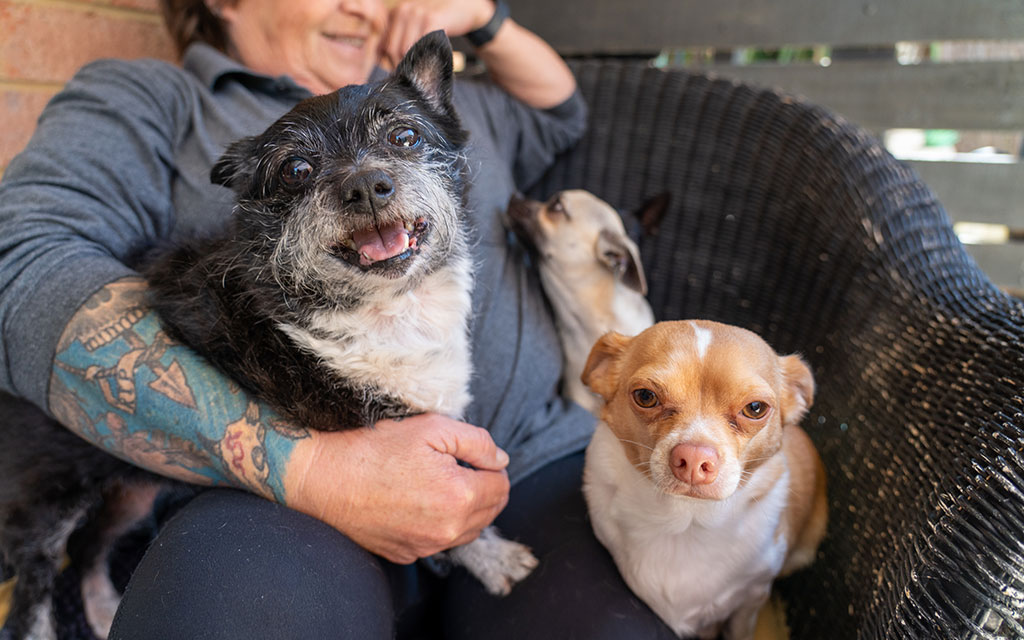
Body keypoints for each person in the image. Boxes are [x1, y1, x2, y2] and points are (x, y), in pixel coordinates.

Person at [0, 0, 678, 637]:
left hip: (534, 463)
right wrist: (312, 469)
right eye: (299, 169)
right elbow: (21, 262)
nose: (361, 4)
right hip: (273, 501)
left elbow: (563, 112)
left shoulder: (442, 98)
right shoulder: (154, 98)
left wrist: (483, 16)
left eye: (404, 141)